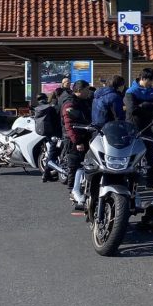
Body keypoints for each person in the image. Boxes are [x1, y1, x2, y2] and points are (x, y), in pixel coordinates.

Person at [124, 68, 153, 189]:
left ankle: (151, 182)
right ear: (143, 78)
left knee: (150, 154)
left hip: (148, 126)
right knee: (131, 154)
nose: (151, 84)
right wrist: (149, 106)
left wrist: (144, 105)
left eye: (152, 81)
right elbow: (132, 109)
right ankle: (129, 181)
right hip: (133, 126)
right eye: (150, 81)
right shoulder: (131, 91)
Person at [63, 80, 94, 209]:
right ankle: (72, 192)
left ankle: (83, 189)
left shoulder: (85, 101)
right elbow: (69, 125)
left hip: (86, 137)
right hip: (74, 140)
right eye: (87, 90)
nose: (89, 92)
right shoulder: (70, 103)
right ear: (79, 90)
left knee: (85, 165)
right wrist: (77, 141)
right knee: (74, 166)